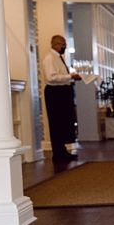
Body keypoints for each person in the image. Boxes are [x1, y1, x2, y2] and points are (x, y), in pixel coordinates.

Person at [41, 35, 80, 163]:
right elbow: (51, 77)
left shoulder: (58, 58)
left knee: (64, 122)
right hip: (55, 93)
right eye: (63, 45)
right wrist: (70, 76)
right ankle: (57, 153)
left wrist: (70, 78)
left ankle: (62, 151)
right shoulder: (49, 58)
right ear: (56, 44)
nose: (65, 47)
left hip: (63, 92)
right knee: (56, 123)